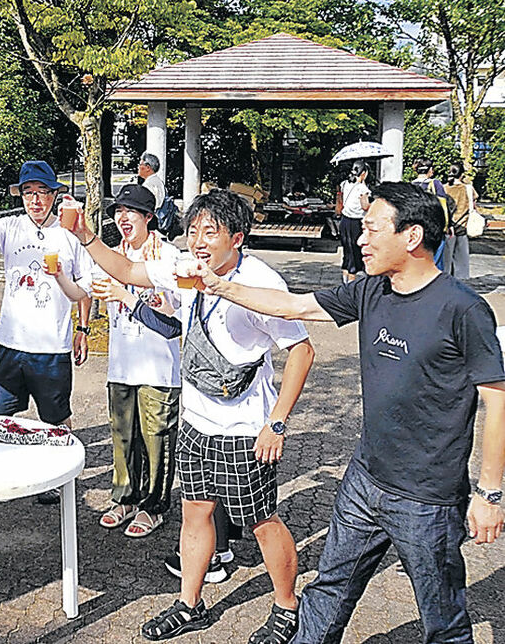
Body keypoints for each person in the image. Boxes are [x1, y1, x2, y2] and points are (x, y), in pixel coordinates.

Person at [184, 182, 505, 643]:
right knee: (329, 589)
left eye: (372, 228)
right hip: (364, 480)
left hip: (427, 498)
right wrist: (219, 285)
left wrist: (489, 493)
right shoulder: (373, 291)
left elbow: (497, 400)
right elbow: (292, 305)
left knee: (443, 620)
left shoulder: (462, 309)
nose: (360, 238)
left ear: (411, 236)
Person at [68, 187, 315, 642]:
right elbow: (125, 269)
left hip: (245, 430)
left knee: (261, 520)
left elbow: (301, 350)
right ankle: (190, 603)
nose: (198, 241)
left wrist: (276, 422)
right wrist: (85, 235)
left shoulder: (261, 283)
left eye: (210, 231)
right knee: (194, 513)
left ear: (236, 238)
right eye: (193, 230)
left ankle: (286, 606)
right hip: (197, 421)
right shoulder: (184, 268)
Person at [0, 160, 92, 505]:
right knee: (0, 414)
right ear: (21, 195)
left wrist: (82, 329)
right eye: (29, 193)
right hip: (10, 343)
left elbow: (85, 287)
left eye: (43, 192)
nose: (36, 200)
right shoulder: (10, 227)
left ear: (54, 195)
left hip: (52, 345)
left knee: (55, 417)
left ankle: (58, 478)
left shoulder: (70, 234)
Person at [90, 184, 181, 538]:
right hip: (121, 365)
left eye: (130, 212)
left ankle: (154, 507)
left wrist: (126, 295)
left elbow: (173, 326)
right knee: (123, 437)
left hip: (159, 368)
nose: (122, 218)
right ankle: (126, 498)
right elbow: (81, 286)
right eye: (118, 212)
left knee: (157, 439)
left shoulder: (168, 258)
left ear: (148, 218)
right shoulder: (111, 257)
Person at [411, 156, 454, 272]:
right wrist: (448, 225)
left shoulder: (411, 186)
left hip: (417, 228)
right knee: (436, 261)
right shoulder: (435, 184)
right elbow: (444, 206)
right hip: (435, 228)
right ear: (430, 169)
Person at [337, 161, 369, 283]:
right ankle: (352, 283)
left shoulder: (344, 184)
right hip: (356, 223)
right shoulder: (362, 188)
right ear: (364, 173)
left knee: (347, 251)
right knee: (355, 253)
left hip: (344, 221)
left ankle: (345, 281)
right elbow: (365, 206)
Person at [443, 163, 476, 279]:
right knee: (461, 261)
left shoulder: (444, 188)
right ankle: (460, 284)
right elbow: (474, 205)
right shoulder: (468, 188)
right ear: (462, 175)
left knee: (446, 259)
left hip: (447, 226)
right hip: (462, 226)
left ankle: (445, 281)